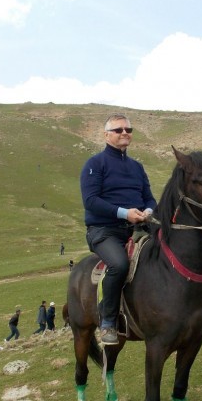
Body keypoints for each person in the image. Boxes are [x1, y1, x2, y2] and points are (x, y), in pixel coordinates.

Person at [80, 114, 157, 345]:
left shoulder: (137, 167)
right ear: (106, 135)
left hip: (138, 228)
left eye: (128, 129)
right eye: (118, 130)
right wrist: (125, 213)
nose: (125, 132)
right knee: (120, 264)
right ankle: (108, 323)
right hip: (104, 231)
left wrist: (149, 212)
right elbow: (90, 201)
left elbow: (149, 199)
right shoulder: (95, 164)